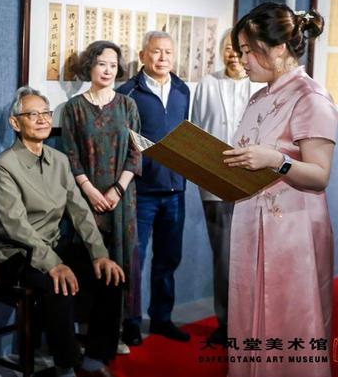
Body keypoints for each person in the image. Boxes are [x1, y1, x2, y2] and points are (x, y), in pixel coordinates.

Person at [222, 2, 338, 377]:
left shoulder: (311, 97)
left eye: (246, 50)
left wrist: (276, 160)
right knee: (249, 312)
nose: (242, 60)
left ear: (276, 48)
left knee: (289, 319)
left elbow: (319, 175)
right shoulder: (259, 96)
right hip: (251, 222)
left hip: (292, 230)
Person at [0, 86, 126, 377]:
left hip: (54, 245)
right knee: (58, 283)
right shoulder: (4, 166)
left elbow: (80, 211)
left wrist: (99, 254)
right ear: (16, 123)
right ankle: (65, 365)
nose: (42, 120)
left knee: (110, 274)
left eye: (46, 113)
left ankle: (96, 356)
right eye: (32, 114)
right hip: (18, 253)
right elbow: (16, 226)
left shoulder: (60, 160)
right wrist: (53, 264)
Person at [60, 40, 142, 354]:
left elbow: (137, 154)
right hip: (85, 197)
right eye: (101, 63)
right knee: (87, 262)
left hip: (122, 199)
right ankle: (83, 335)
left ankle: (113, 335)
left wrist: (117, 190)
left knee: (119, 262)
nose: (107, 70)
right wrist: (91, 192)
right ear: (90, 66)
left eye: (112, 64)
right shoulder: (73, 108)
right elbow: (70, 156)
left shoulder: (127, 106)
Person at [116, 31, 191, 343]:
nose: (163, 59)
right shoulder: (128, 91)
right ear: (142, 55)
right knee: (135, 259)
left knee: (168, 259)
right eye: (156, 52)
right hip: (141, 191)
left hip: (176, 190)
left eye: (168, 53)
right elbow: (122, 140)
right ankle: (131, 322)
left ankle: (162, 318)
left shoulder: (183, 89)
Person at [190, 29, 261, 345]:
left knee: (254, 255)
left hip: (253, 180)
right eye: (227, 48)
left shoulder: (258, 85)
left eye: (239, 49)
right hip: (215, 182)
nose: (233, 54)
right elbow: (195, 129)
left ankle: (253, 320)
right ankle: (226, 323)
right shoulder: (208, 83)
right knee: (224, 256)